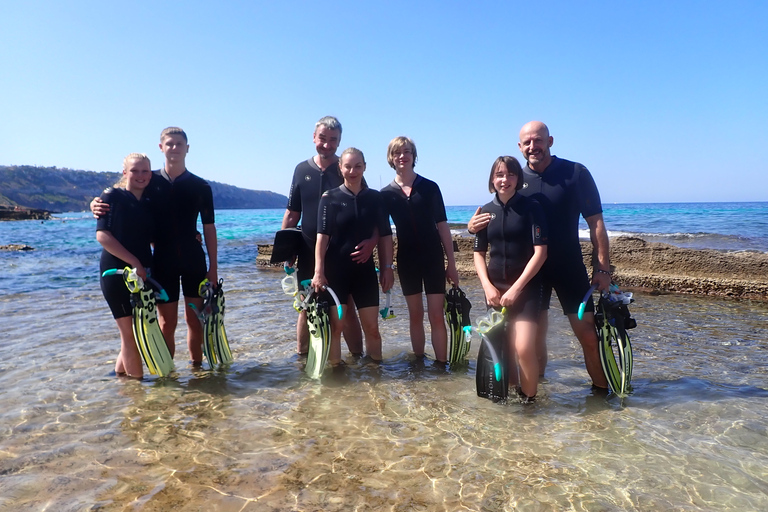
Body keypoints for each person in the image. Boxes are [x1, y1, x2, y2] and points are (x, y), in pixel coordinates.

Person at [468, 121, 610, 389]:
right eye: (528, 142)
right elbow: (497, 216)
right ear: (520, 147)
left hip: (568, 266)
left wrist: (602, 267)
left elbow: (597, 223)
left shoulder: (575, 173)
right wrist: (470, 227)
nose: (534, 147)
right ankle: (536, 397)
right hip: (531, 273)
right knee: (532, 340)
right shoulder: (516, 180)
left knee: (588, 335)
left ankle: (603, 396)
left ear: (550, 141)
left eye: (539, 140)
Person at [91, 127, 219, 366]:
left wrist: (213, 267)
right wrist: (95, 204)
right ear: (161, 147)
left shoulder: (201, 187)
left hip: (193, 260)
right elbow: (123, 198)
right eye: (169, 144)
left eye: (179, 144)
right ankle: (166, 371)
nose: (174, 148)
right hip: (162, 262)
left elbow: (209, 228)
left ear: (187, 149)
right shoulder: (150, 181)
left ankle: (197, 371)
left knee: (195, 320)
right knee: (166, 323)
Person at [282, 116, 376, 357]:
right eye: (322, 139)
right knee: (306, 306)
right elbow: (293, 213)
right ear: (314, 138)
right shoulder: (301, 170)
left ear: (339, 142)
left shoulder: (346, 168)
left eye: (332, 140)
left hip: (340, 253)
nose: (326, 144)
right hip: (307, 248)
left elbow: (370, 211)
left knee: (346, 308)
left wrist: (373, 242)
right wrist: (285, 250)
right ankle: (302, 359)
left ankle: (357, 357)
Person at [473, 156, 548, 400]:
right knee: (502, 348)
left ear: (518, 178)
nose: (505, 180)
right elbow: (478, 253)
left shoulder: (532, 207)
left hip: (526, 289)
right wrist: (487, 287)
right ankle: (513, 394)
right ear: (492, 179)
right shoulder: (485, 212)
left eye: (510, 174)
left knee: (524, 347)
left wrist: (516, 289)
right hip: (494, 290)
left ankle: (529, 403)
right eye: (499, 175)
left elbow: (541, 253)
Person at [311, 148, 394, 364]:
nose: (353, 171)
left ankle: (376, 376)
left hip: (364, 273)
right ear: (340, 168)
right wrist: (318, 272)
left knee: (373, 329)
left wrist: (387, 269)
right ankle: (337, 376)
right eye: (348, 166)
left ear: (365, 167)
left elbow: (385, 236)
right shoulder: (330, 198)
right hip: (336, 272)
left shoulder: (375, 198)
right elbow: (322, 238)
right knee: (336, 328)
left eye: (358, 166)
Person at [380, 136, 459, 363]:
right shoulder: (386, 194)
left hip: (433, 258)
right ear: (391, 158)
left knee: (436, 315)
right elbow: (384, 234)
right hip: (406, 260)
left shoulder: (430, 188)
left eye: (407, 151)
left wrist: (451, 265)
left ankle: (441, 365)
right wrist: (386, 266)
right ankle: (418, 363)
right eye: (397, 153)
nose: (402, 156)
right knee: (415, 315)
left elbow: (443, 226)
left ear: (414, 156)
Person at [96, 153, 155, 378]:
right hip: (116, 271)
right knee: (129, 334)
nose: (140, 176)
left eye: (145, 171)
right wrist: (134, 262)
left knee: (135, 333)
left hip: (141, 273)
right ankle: (138, 392)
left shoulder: (149, 202)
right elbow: (103, 236)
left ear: (151, 173)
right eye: (135, 171)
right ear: (125, 172)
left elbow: (152, 237)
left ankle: (119, 379)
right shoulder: (112, 197)